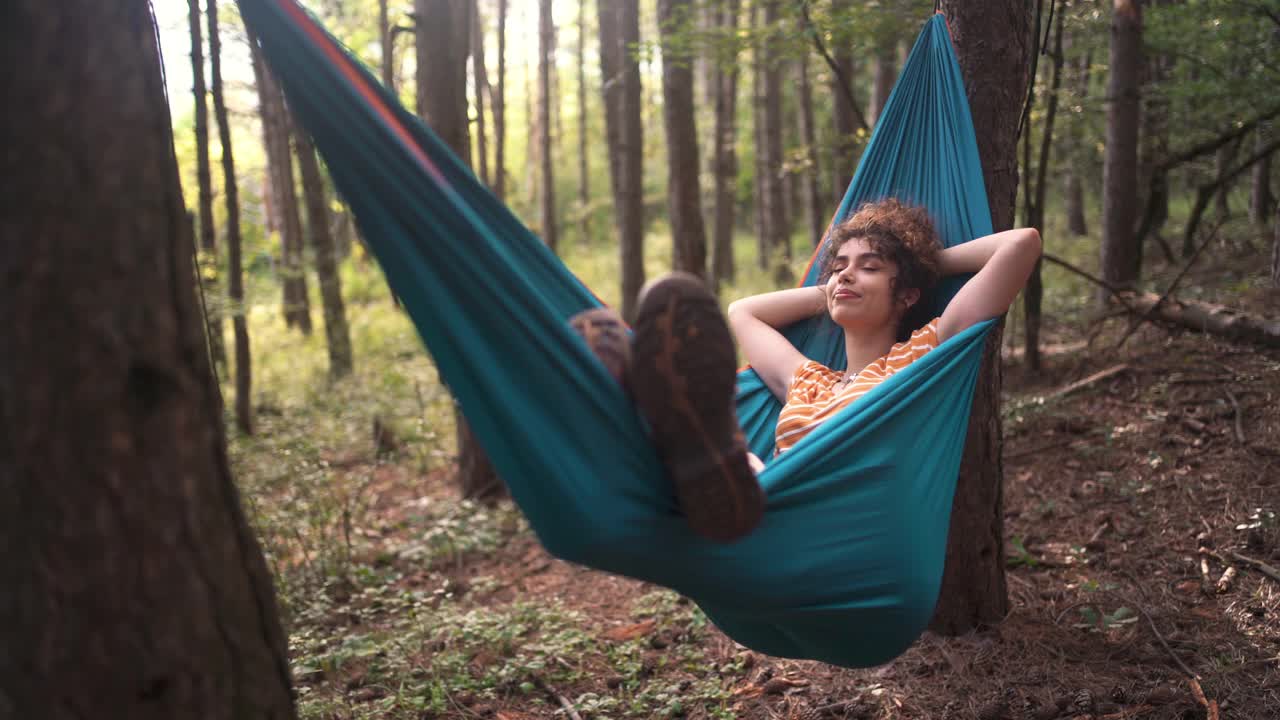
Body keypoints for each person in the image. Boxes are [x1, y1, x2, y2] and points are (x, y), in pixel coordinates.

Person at [570, 199, 1041, 543]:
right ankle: (683, 441)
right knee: (727, 466)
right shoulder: (811, 379)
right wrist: (840, 285)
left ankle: (697, 445)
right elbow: (744, 311)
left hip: (828, 535)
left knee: (728, 467)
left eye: (869, 267)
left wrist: (918, 267)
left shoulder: (919, 358)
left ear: (908, 294)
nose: (845, 275)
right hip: (762, 510)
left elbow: (1021, 244)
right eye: (838, 267)